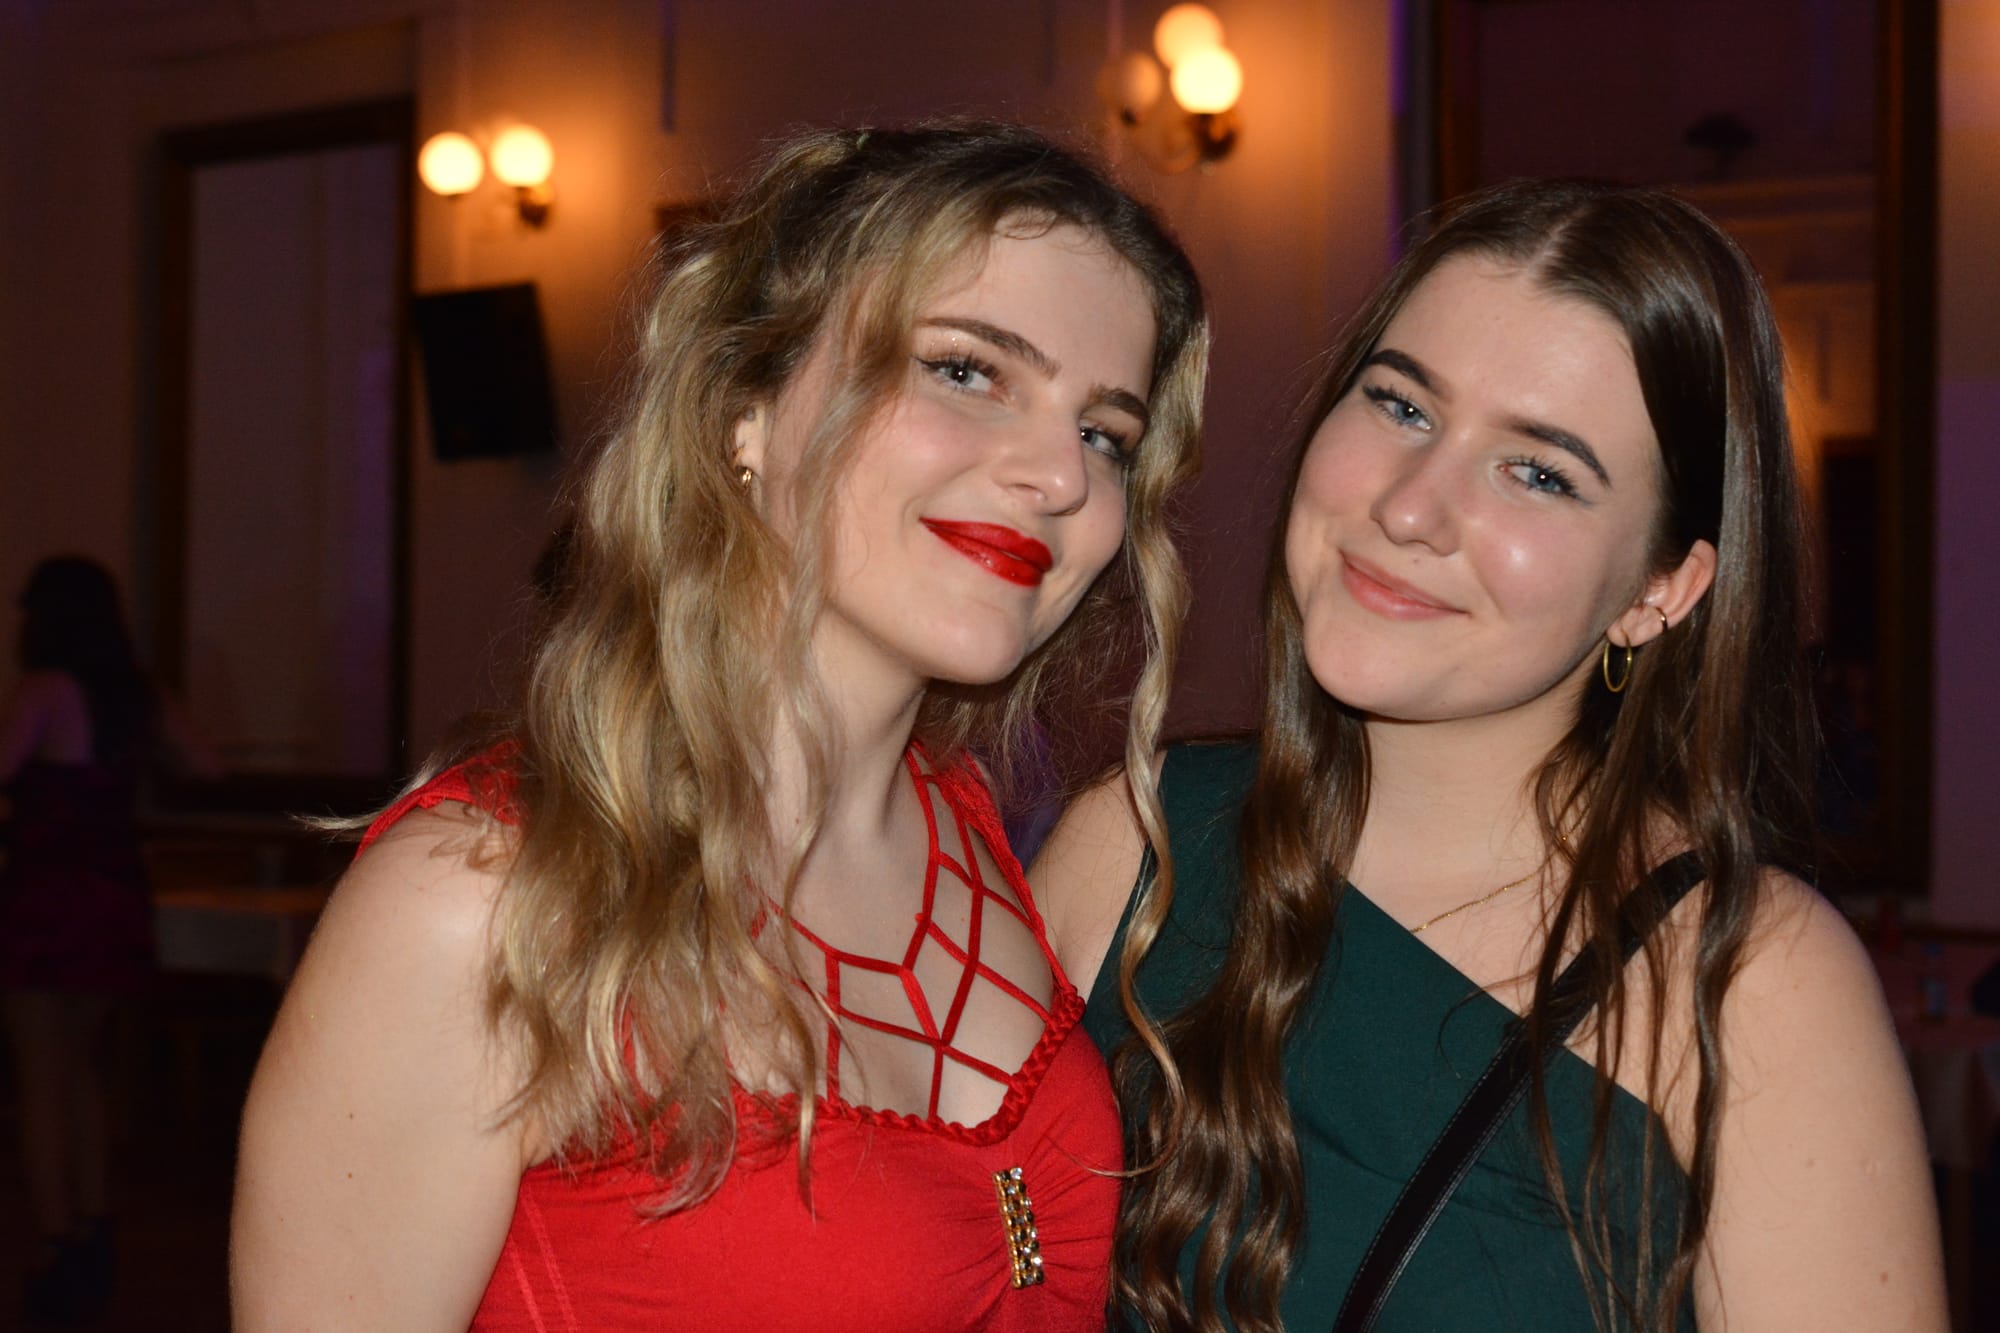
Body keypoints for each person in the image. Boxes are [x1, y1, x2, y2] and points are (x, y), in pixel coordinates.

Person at [231, 122, 1207, 1330]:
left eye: (1104, 433)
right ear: (745, 408)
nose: (1059, 475)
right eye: (965, 371)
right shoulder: (479, 903)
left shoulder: (975, 837)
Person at [1037, 179, 1945, 1332]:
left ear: (1660, 590)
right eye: (1400, 405)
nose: (1410, 507)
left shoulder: (1748, 984)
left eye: (1538, 472)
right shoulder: (1133, 844)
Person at [0, 555, 212, 1323]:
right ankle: (93, 1232)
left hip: (46, 897)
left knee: (40, 1076)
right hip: (113, 893)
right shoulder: (135, 694)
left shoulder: (44, 691)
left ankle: (58, 1244)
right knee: (83, 1069)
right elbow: (207, 764)